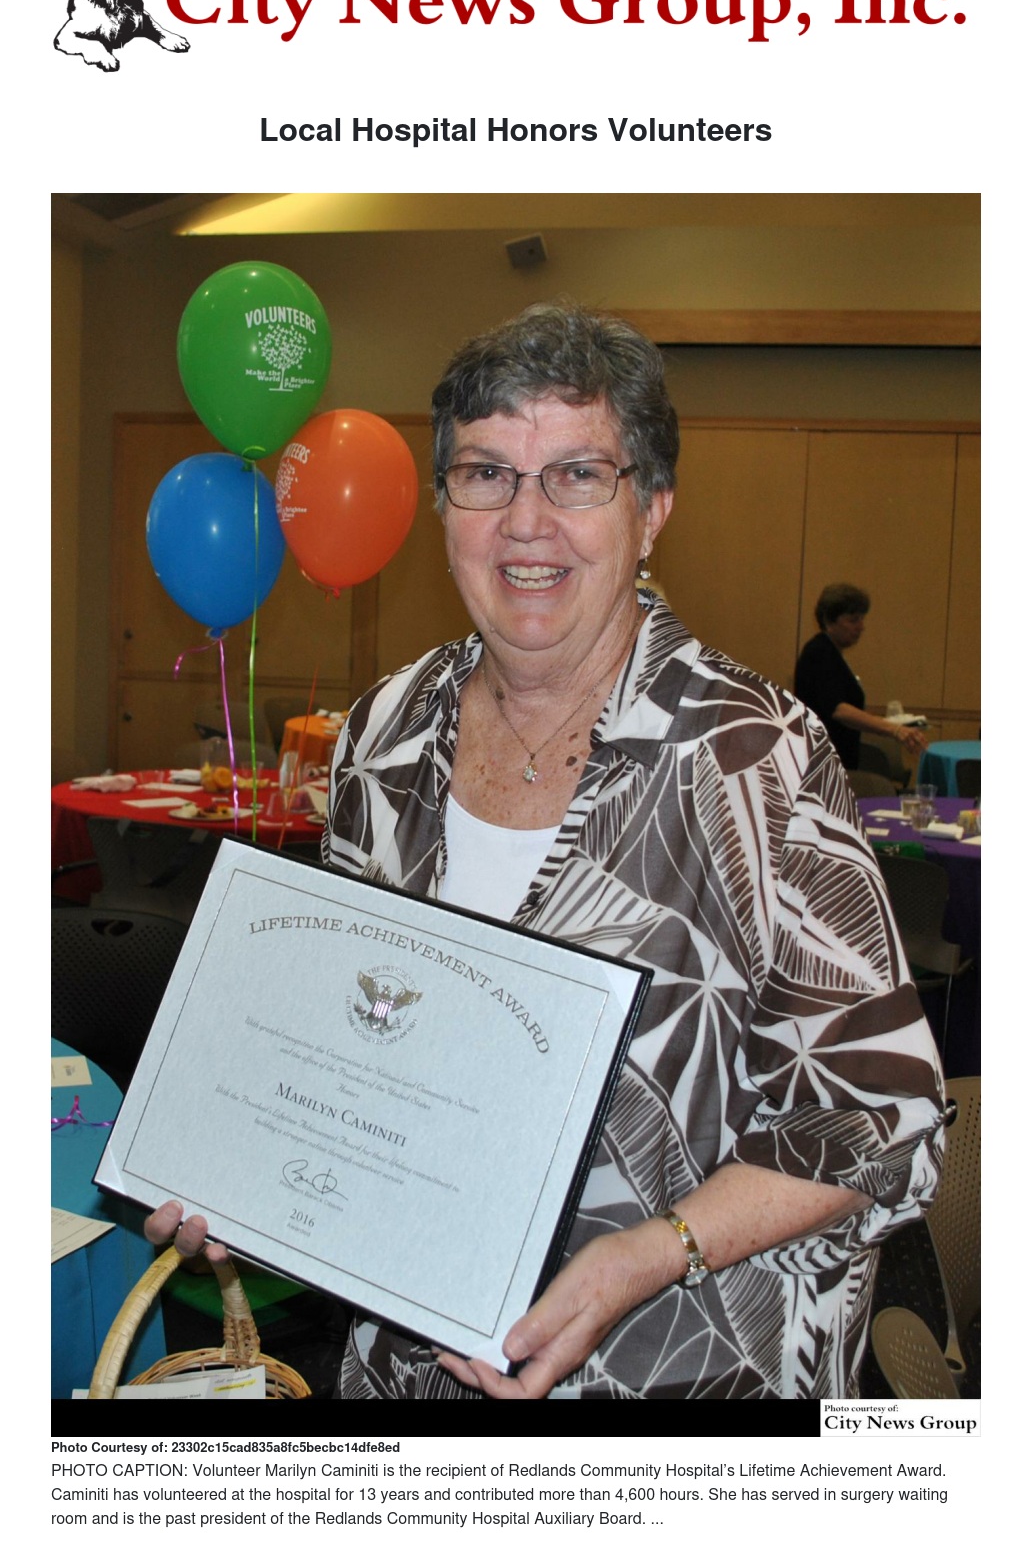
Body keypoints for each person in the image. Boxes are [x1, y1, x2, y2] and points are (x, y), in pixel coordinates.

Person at [148, 304, 944, 1400]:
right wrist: (249, 1166)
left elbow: (878, 1117)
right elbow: (340, 1027)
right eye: (486, 474)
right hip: (412, 1369)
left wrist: (650, 1251)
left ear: (651, 510)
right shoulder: (385, 732)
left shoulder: (753, 756)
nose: (526, 522)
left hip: (674, 1367)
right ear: (445, 507)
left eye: (576, 475)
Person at [793, 583, 928, 771]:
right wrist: (895, 729)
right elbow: (838, 710)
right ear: (829, 620)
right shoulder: (819, 653)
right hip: (820, 763)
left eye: (861, 619)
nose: (861, 627)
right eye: (853, 620)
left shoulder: (831, 653)